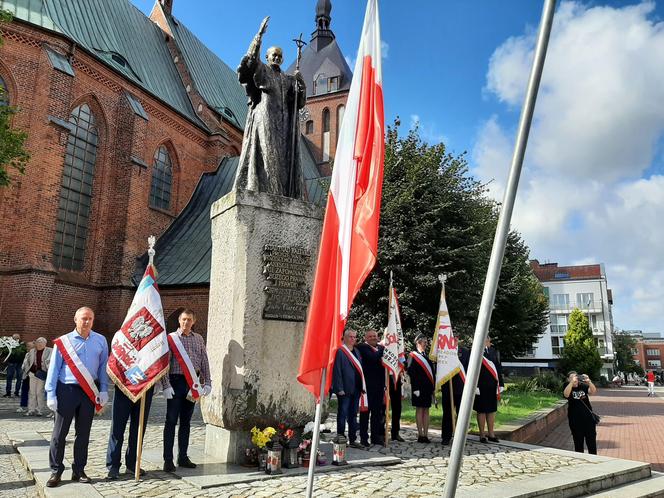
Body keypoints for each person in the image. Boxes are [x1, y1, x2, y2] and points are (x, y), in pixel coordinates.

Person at [233, 17, 306, 199]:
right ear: (267, 57)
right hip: (265, 117)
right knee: (267, 156)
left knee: (283, 159)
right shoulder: (262, 70)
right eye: (274, 54)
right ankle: (268, 193)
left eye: (280, 56)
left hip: (284, 124)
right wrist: (259, 37)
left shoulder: (288, 79)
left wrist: (300, 84)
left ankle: (281, 195)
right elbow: (250, 61)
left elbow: (299, 103)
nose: (277, 58)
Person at [45, 307, 109, 487]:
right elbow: (54, 369)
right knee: (60, 433)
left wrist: (104, 389)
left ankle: (79, 470)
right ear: (75, 319)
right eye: (83, 318)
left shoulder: (101, 340)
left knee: (83, 434)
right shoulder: (64, 342)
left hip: (89, 392)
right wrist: (51, 393)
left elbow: (103, 366)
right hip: (67, 390)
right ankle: (55, 471)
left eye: (90, 318)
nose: (86, 322)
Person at [160, 309, 211, 472]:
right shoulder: (171, 339)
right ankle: (168, 459)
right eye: (183, 320)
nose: (186, 322)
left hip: (192, 384)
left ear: (193, 321)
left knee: (186, 422)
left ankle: (183, 456)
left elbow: (204, 360)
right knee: (171, 421)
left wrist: (207, 381)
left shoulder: (198, 339)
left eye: (189, 320)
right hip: (175, 382)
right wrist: (166, 384)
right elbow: (165, 363)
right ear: (179, 321)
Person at [106, 384, 154, 480]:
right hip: (124, 383)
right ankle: (113, 466)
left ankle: (132, 464)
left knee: (139, 428)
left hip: (145, 386)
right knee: (117, 428)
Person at [331, 329, 366, 449]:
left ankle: (352, 439)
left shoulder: (357, 351)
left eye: (354, 337)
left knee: (353, 415)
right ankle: (340, 438)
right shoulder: (340, 351)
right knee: (342, 414)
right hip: (344, 389)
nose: (353, 339)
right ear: (344, 338)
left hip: (356, 388)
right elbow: (337, 371)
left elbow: (360, 369)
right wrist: (339, 388)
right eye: (350, 337)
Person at [356, 330, 386, 447]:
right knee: (365, 414)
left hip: (379, 386)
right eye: (371, 336)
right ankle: (364, 437)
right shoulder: (362, 347)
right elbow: (373, 358)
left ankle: (375, 437)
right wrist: (383, 349)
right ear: (366, 338)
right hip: (366, 387)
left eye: (375, 336)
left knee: (377, 414)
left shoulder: (380, 348)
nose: (373, 338)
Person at [474, 336, 504, 443]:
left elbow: (498, 368)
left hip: (492, 386)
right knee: (481, 411)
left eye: (489, 340)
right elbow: (473, 370)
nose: (488, 342)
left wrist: (501, 384)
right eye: (486, 340)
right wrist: (475, 386)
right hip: (481, 386)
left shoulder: (493, 351)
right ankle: (482, 434)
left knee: (491, 410)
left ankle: (491, 433)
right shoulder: (475, 351)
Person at [407, 334, 436, 443]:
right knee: (420, 410)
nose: (426, 344)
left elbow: (432, 373)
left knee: (426, 410)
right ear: (418, 343)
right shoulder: (412, 356)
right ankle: (420, 435)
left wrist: (433, 388)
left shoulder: (427, 356)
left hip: (427, 388)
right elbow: (411, 372)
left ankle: (426, 434)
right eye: (424, 342)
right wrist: (415, 388)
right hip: (418, 388)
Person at [441, 345, 470, 445]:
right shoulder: (444, 351)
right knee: (447, 413)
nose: (455, 339)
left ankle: (460, 437)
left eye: (456, 337)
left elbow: (469, 369)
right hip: (447, 387)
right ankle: (446, 437)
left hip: (461, 388)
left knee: (461, 414)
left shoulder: (465, 352)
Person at [564, 371, 598, 454]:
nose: (574, 379)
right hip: (575, 420)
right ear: (568, 379)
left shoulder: (583, 386)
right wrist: (571, 383)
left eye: (575, 377)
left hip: (588, 419)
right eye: (571, 378)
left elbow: (593, 391)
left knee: (591, 442)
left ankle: (594, 459)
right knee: (578, 442)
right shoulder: (567, 386)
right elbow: (566, 395)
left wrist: (589, 382)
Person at [24, 337, 52, 417]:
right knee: (32, 392)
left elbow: (50, 362)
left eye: (41, 342)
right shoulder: (32, 351)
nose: (39, 344)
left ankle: (39, 410)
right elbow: (27, 361)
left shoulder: (50, 350)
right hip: (33, 373)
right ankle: (31, 409)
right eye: (38, 342)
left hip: (42, 374)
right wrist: (28, 370)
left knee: (39, 392)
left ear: (45, 344)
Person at [17, 341, 35, 413]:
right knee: (24, 391)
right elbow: (24, 364)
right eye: (27, 346)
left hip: (33, 376)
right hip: (26, 376)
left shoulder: (35, 354)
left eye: (29, 346)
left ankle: (33, 407)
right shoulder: (27, 354)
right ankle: (23, 406)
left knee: (33, 393)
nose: (27, 348)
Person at [389, 372, 405, 442]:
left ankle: (395, 432)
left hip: (396, 378)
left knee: (397, 408)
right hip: (385, 378)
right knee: (382, 409)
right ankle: (381, 433)